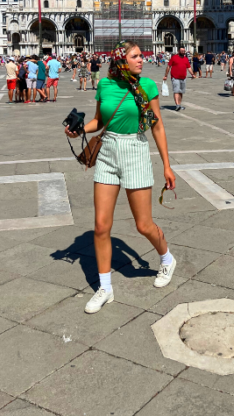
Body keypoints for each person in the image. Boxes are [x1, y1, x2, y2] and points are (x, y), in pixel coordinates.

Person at [66, 41, 176, 314]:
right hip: (108, 153)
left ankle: (167, 258)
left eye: (141, 55)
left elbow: (157, 126)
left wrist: (167, 165)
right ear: (120, 60)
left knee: (143, 225)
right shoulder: (104, 86)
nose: (142, 59)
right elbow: (98, 122)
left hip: (135, 150)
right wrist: (79, 130)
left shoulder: (146, 86)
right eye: (135, 56)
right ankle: (105, 287)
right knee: (101, 226)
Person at [166, 45, 190, 110]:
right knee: (176, 91)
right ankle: (177, 105)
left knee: (181, 92)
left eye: (184, 51)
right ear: (178, 51)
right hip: (175, 77)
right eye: (182, 51)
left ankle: (179, 104)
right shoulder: (174, 57)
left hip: (183, 77)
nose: (183, 52)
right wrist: (166, 75)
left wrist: (192, 74)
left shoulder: (185, 58)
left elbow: (189, 67)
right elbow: (169, 66)